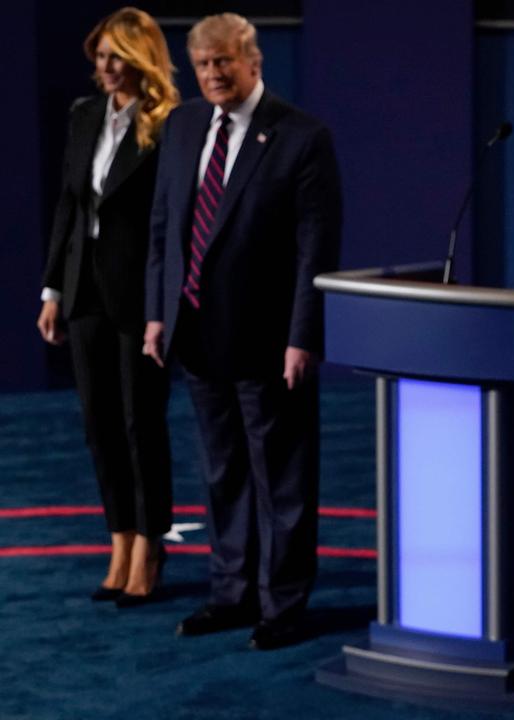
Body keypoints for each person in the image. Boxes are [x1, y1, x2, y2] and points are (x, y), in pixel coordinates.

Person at [144, 12, 341, 649]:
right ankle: (231, 593)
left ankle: (282, 603)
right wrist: (156, 313)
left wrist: (303, 336)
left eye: (223, 62)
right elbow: (163, 229)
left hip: (268, 339)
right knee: (223, 470)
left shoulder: (301, 137)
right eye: (202, 65)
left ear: (254, 61)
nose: (213, 75)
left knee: (280, 477)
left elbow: (317, 248)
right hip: (195, 331)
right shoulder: (182, 126)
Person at [37, 7, 180, 606]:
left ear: (142, 57)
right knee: (99, 423)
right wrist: (51, 291)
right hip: (83, 290)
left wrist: (164, 304)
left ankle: (149, 546)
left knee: (138, 422)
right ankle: (118, 540)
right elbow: (70, 209)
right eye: (100, 57)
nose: (107, 68)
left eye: (118, 55)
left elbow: (172, 223)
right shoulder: (83, 116)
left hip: (139, 295)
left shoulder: (172, 124)